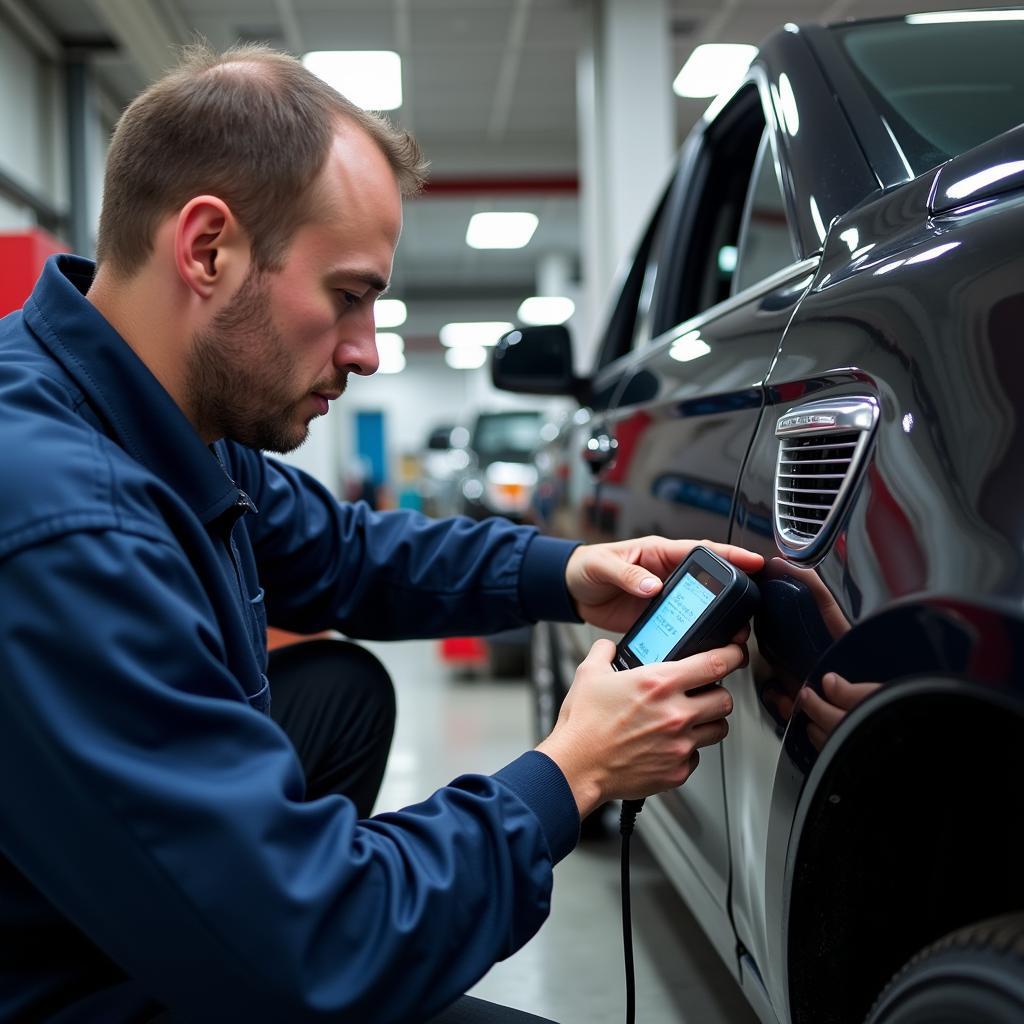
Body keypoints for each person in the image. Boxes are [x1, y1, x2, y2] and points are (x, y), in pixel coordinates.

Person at [0, 43, 763, 1023]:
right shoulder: (63, 522)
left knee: (340, 693)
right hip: (53, 986)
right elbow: (318, 936)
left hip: (82, 889)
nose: (365, 351)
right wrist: (571, 773)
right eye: (348, 296)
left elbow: (343, 552)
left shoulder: (136, 404)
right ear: (206, 250)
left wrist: (564, 571)